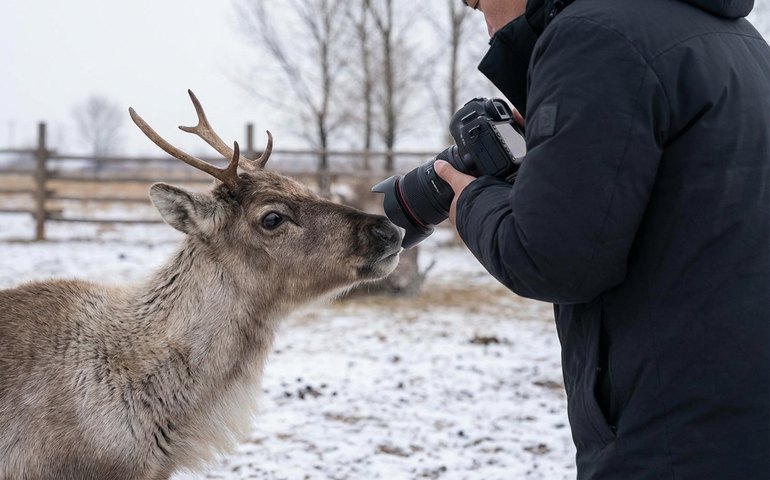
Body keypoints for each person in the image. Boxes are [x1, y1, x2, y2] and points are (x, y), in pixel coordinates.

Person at [434, 0, 770, 478]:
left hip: (670, 436)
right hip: (738, 419)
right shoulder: (737, 38)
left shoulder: (595, 37)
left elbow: (550, 257)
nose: (470, 2)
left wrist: (468, 199)